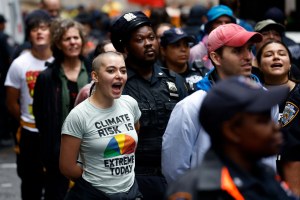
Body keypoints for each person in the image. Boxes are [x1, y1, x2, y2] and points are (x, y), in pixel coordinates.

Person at [162, 23, 267, 184]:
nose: (248, 56)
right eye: (237, 50)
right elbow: (175, 169)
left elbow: (269, 159)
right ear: (216, 58)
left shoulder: (265, 99)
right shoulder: (191, 106)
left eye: (250, 48)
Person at [165, 76, 296, 200]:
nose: (276, 128)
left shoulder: (265, 175)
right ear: (232, 131)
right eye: (262, 121)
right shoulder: (197, 190)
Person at [110, 11, 188, 200]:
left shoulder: (174, 80)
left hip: (173, 177)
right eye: (139, 39)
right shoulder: (115, 85)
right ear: (125, 46)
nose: (148, 43)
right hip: (133, 179)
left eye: (151, 37)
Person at [60, 51, 142, 199]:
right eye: (111, 70)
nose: (119, 75)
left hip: (130, 192)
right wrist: (95, 179)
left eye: (123, 71)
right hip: (94, 194)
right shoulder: (79, 115)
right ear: (95, 76)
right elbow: (67, 167)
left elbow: (135, 133)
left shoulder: (130, 103)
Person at [33, 18, 90, 200]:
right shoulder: (47, 77)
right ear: (58, 43)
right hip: (58, 152)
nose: (73, 42)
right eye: (67, 39)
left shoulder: (93, 71)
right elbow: (41, 116)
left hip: (91, 151)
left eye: (76, 37)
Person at [4, 9, 53, 200]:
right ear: (29, 34)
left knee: (55, 184)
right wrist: (26, 121)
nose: (39, 32)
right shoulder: (19, 64)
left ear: (51, 31)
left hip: (55, 132)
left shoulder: (59, 61)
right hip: (28, 131)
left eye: (43, 28)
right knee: (30, 183)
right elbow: (11, 101)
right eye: (34, 29)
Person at [256, 40, 300, 196]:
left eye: (282, 54)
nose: (276, 57)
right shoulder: (251, 98)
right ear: (258, 65)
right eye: (269, 54)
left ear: (289, 64)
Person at [189, 5, 236, 71]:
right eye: (218, 22)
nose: (223, 25)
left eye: (227, 22)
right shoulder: (196, 52)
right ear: (209, 26)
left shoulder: (240, 48)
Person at [160, 27, 203, 94]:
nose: (183, 49)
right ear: (163, 50)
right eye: (177, 45)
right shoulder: (158, 78)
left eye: (186, 45)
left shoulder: (200, 71)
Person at [75, 39, 116, 106]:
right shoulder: (87, 92)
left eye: (117, 53)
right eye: (109, 54)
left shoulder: (127, 83)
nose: (115, 58)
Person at [0, 14, 14, 145]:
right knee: (4, 106)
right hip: (3, 78)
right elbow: (11, 57)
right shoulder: (4, 37)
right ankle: (4, 135)